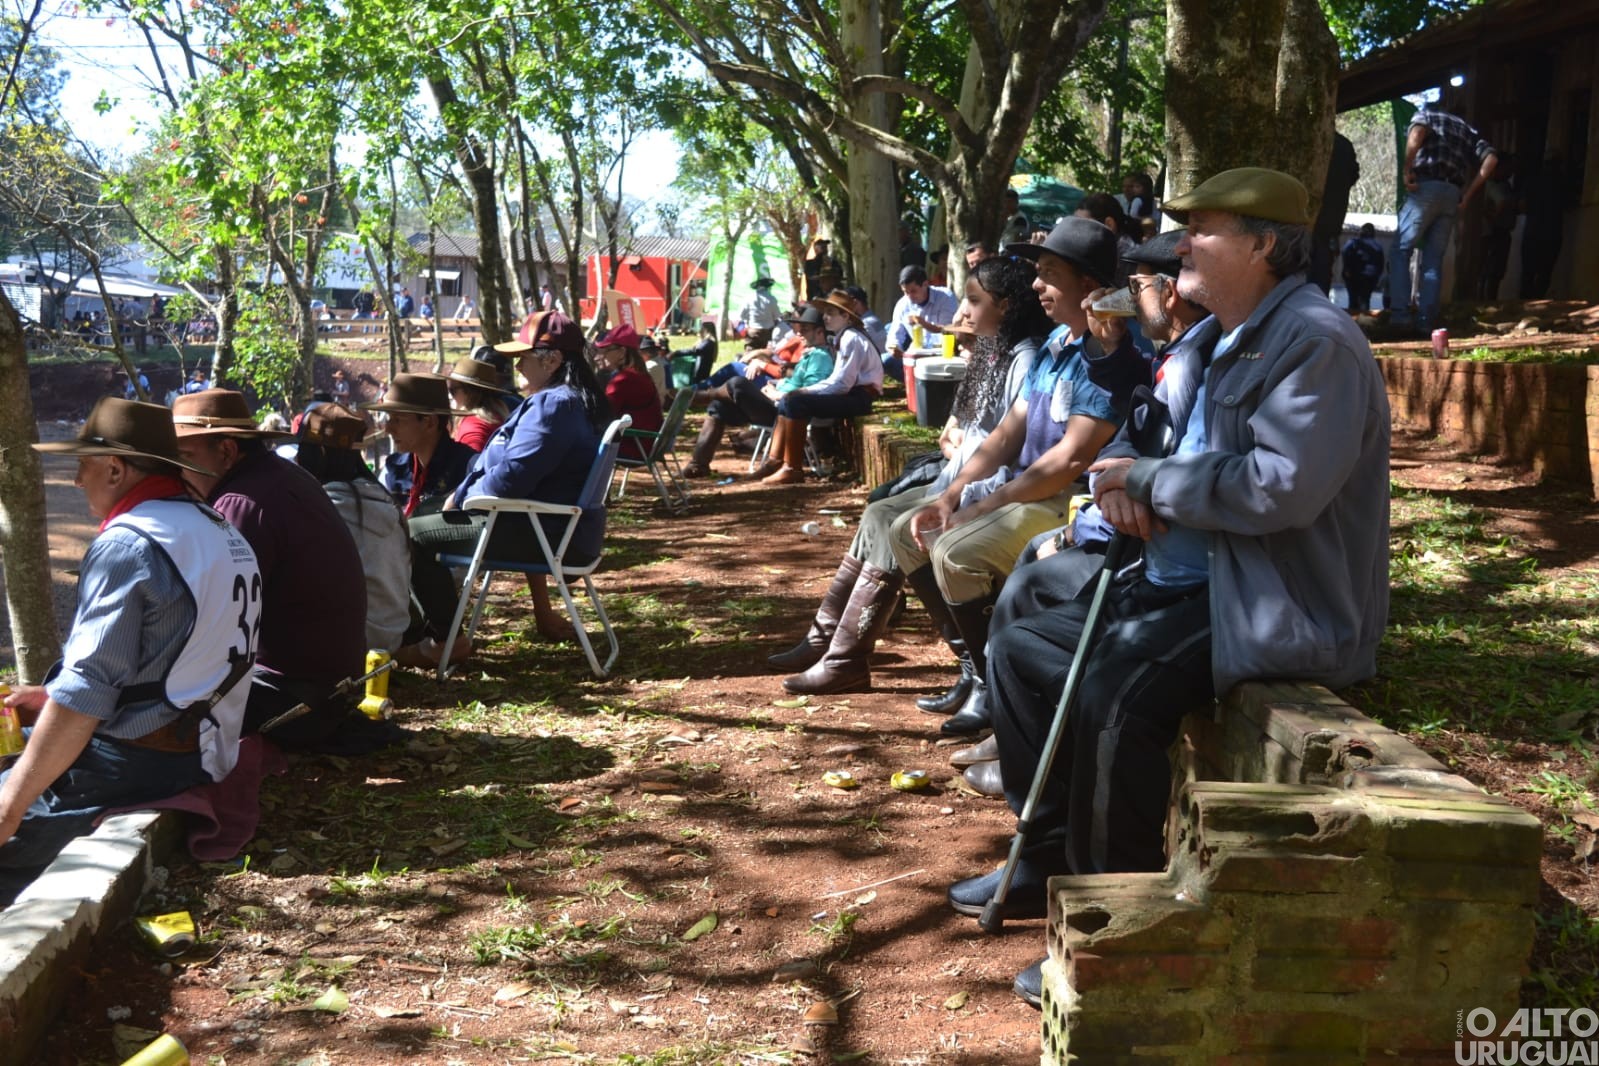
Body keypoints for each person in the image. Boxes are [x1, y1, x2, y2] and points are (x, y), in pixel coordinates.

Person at [951, 168, 1390, 1007]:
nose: (1181, 243)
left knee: (1113, 699)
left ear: (1263, 245)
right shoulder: (1223, 336)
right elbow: (1158, 448)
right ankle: (1045, 856)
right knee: (1019, 649)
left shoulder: (1315, 341)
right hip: (1178, 575)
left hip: (1260, 595)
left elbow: (1279, 489)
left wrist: (1148, 481)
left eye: (1204, 228)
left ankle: (1117, 928)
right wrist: (1123, 483)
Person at [853, 219, 1147, 725]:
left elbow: (1069, 461)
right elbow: (1008, 434)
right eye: (1038, 272)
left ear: (1089, 284)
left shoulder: (1110, 359)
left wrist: (981, 507)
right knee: (907, 532)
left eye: (1049, 274)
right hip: (1029, 489)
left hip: (1068, 498)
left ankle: (996, 686)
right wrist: (952, 494)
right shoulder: (1056, 344)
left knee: (955, 550)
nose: (1037, 284)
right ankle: (975, 670)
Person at [954, 230, 1209, 792]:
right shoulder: (1137, 349)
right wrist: (1111, 483)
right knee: (1027, 577)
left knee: (1029, 582)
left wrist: (1087, 518)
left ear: (1168, 294)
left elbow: (1155, 464)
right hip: (1118, 528)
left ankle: (1031, 752)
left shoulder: (1188, 360)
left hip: (1160, 558)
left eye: (1136, 286)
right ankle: (1012, 727)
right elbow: (1129, 438)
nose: (1037, 287)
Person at [0, 400, 261, 901]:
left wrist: (10, 806)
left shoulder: (128, 543)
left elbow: (86, 692)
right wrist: (51, 696)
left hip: (137, 759)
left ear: (116, 469)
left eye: (84, 465)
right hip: (204, 748)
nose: (77, 480)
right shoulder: (217, 527)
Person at [767, 257, 1047, 696]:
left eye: (974, 301)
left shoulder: (1023, 357)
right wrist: (954, 446)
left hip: (983, 488)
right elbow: (964, 431)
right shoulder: (994, 352)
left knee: (891, 522)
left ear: (1007, 306)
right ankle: (830, 640)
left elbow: (1008, 445)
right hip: (955, 477)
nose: (962, 313)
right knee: (879, 512)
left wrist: (959, 480)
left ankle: (860, 658)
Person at [171, 390, 372, 752]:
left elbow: (208, 619)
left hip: (295, 700)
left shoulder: (241, 504)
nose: (176, 471)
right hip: (330, 692)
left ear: (227, 451)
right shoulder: (283, 477)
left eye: (185, 457)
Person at [404, 312, 608, 664]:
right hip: (555, 527)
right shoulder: (575, 399)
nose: (516, 367)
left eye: (523, 358)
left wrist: (461, 496)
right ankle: (429, 633)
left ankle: (443, 640)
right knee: (422, 513)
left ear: (553, 360)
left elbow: (511, 478)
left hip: (543, 531)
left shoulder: (554, 405)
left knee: (412, 534)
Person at [294, 404, 410, 654]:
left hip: (345, 643)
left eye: (302, 450)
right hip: (390, 637)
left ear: (319, 453)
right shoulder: (384, 499)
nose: (296, 460)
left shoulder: (323, 508)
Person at [682, 306, 835, 478]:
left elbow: (812, 392)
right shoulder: (811, 354)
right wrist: (776, 385)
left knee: (737, 384)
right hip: (777, 406)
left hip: (785, 413)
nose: (799, 333)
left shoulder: (821, 358)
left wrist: (777, 394)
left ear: (820, 332)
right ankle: (698, 464)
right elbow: (795, 382)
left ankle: (702, 396)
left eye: (805, 329)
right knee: (719, 406)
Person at [1387, 106, 1499, 333]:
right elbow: (1491, 159)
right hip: (1451, 193)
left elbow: (1417, 133)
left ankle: (1400, 316)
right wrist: (1467, 194)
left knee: (1401, 250)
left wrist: (1407, 169)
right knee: (1433, 259)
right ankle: (1426, 321)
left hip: (1426, 187)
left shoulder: (1426, 114)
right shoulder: (1467, 130)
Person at [753, 294, 884, 485]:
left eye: (830, 313)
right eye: (825, 313)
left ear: (846, 317)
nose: (825, 317)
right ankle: (776, 460)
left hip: (861, 397)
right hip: (853, 393)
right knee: (789, 400)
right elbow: (837, 381)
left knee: (795, 402)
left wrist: (805, 391)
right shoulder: (844, 337)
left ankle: (792, 468)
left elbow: (842, 384)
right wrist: (800, 392)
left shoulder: (851, 338)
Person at [367, 374, 477, 517]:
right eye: (389, 418)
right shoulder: (394, 468)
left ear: (429, 422)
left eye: (398, 419)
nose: (388, 429)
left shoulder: (468, 469)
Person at [594, 323, 664, 460]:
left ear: (622, 352)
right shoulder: (639, 374)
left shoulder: (624, 380)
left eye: (605, 350)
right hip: (645, 444)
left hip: (633, 447)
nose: (599, 356)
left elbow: (602, 415)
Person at [885, 265, 959, 381]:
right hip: (916, 354)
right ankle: (915, 385)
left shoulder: (945, 297)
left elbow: (948, 330)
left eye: (913, 291)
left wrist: (923, 323)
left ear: (925, 284)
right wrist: (893, 347)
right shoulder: (903, 304)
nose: (909, 297)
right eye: (905, 292)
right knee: (886, 360)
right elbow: (894, 334)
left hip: (941, 354)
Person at [1310, 133, 1359, 294]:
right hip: (1331, 218)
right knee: (1322, 267)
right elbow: (1354, 175)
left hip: (1308, 216)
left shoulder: (1309, 137)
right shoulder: (1344, 145)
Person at [441, 356, 516, 452]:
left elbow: (471, 460)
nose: (449, 395)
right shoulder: (499, 416)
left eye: (452, 390)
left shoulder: (473, 427)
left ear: (470, 393)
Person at [1341, 223, 1385, 314]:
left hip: (1353, 276)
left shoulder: (1353, 243)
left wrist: (1347, 268)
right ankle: (1363, 319)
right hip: (1370, 278)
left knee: (1353, 300)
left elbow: (1344, 252)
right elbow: (1380, 264)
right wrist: (1376, 277)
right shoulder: (1377, 246)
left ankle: (1352, 319)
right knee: (1365, 300)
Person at [741, 277, 781, 349]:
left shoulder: (749, 298)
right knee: (766, 353)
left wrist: (747, 323)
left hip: (753, 330)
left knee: (750, 352)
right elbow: (776, 315)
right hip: (767, 332)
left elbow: (742, 315)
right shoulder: (771, 299)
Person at [802, 238, 842, 302]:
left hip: (832, 297)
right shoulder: (810, 264)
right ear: (816, 249)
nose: (825, 249)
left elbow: (839, 275)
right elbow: (811, 278)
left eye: (825, 247)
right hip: (815, 297)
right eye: (822, 247)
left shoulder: (833, 262)